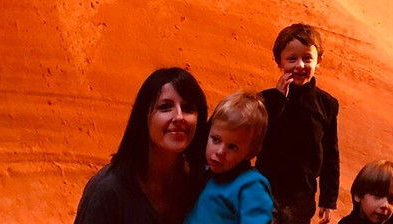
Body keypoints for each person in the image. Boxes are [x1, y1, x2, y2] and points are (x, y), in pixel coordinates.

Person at [75, 67, 210, 224]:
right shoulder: (109, 191)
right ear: (144, 117)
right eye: (165, 107)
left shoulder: (202, 185)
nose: (179, 117)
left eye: (187, 109)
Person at [258, 24, 340, 224]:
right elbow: (258, 136)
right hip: (266, 189)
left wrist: (328, 199)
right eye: (292, 59)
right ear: (279, 62)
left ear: (318, 60)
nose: (300, 65)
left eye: (307, 58)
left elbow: (331, 153)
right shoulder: (267, 99)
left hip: (303, 195)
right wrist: (279, 99)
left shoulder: (326, 104)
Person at [184, 91, 274, 224]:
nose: (220, 151)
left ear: (251, 152)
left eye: (232, 147)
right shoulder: (207, 174)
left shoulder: (251, 185)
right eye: (215, 139)